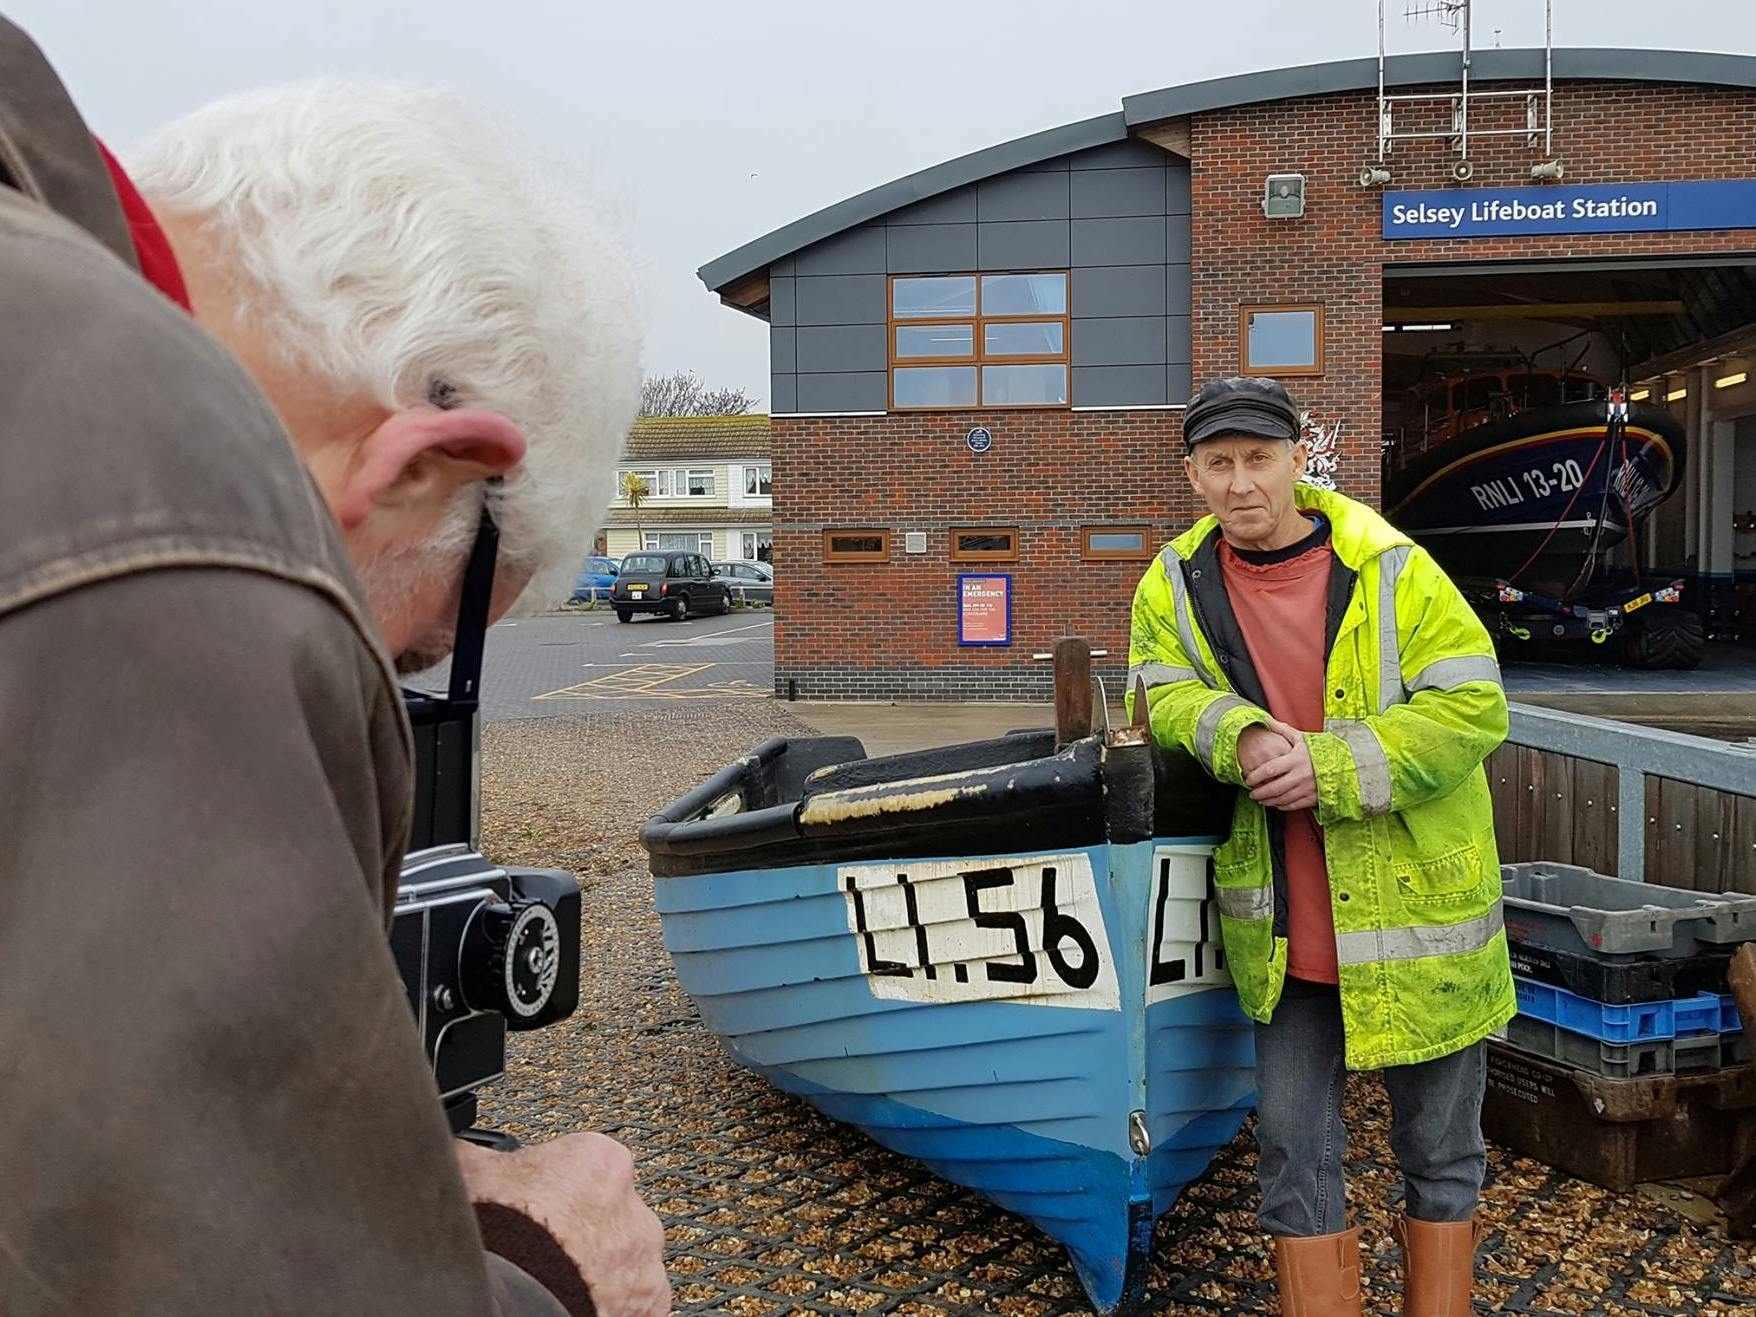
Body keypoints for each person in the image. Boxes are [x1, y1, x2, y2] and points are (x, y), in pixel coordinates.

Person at [0, 17, 666, 1316]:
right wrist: (542, 1276)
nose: (392, 684)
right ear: (424, 467)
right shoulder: (165, 471)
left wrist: (316, 1182)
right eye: (417, 654)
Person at [1126, 376, 1515, 1317]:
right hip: (1287, 928)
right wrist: (1242, 733)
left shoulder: (1392, 566)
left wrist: (1333, 767)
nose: (1241, 482)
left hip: (1421, 921)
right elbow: (1160, 689)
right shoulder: (1171, 582)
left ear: (1301, 461)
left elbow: (1474, 708)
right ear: (1191, 475)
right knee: (1294, 1153)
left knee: (1442, 1152)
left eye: (1260, 459)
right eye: (1218, 463)